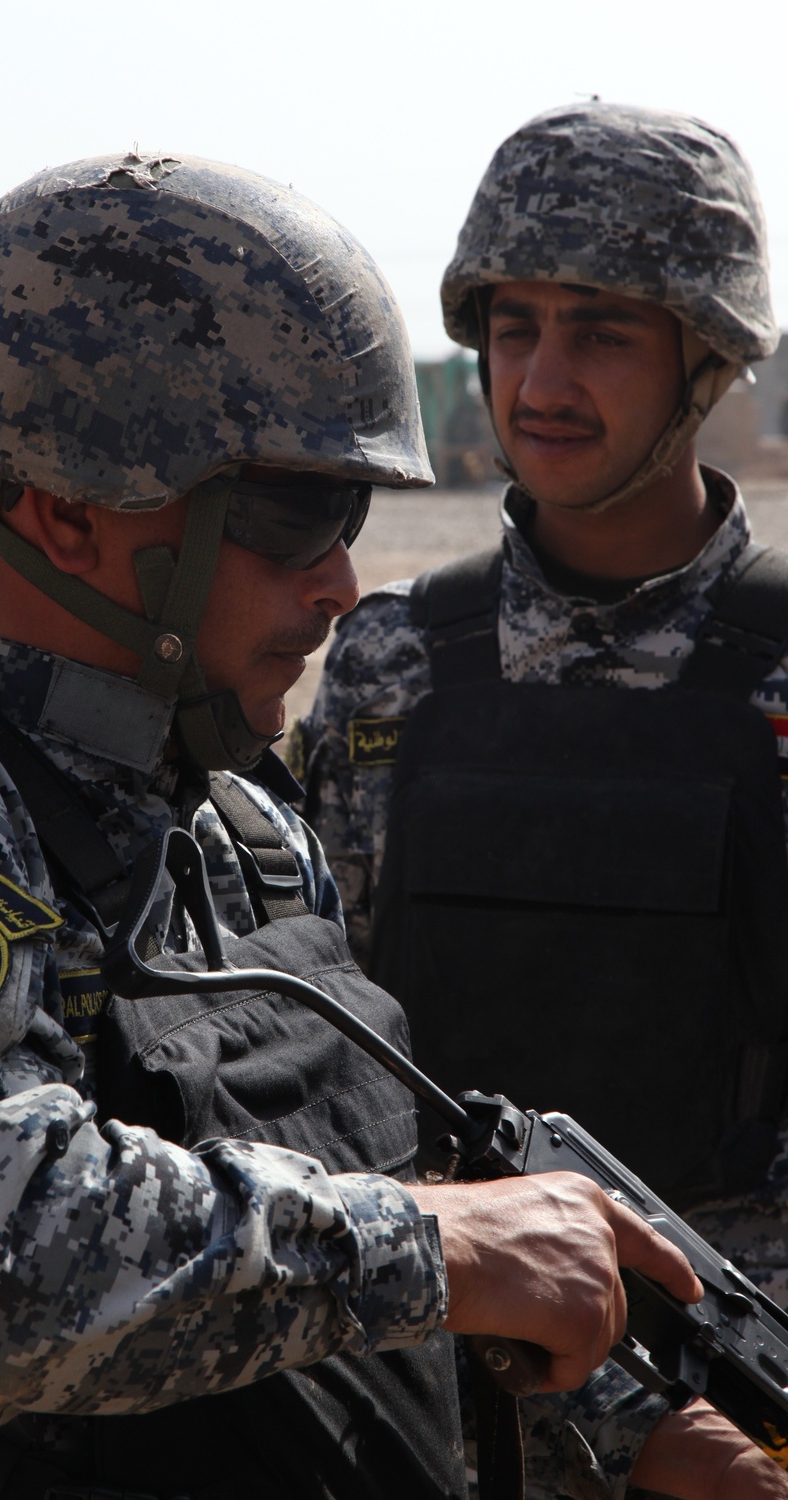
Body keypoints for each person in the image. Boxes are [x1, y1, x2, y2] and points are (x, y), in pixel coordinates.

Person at [0, 149, 779, 1500]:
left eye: (352, 510)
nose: (341, 579)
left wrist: (619, 1408)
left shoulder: (241, 829)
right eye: (293, 512)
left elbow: (341, 1221)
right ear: (67, 509)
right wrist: (458, 1248)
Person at [300, 102, 788, 1298]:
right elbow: (323, 1025)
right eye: (513, 329)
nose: (543, 381)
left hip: (735, 1341)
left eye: (604, 334)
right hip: (451, 1327)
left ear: (707, 358)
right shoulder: (391, 657)